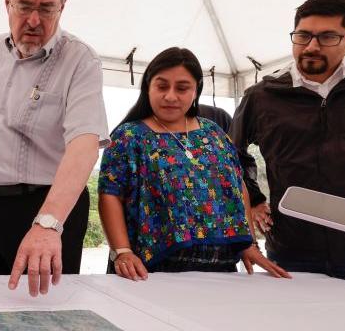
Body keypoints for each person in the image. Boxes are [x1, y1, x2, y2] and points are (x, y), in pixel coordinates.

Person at [0, 0, 109, 297]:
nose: (33, 20)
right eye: (24, 5)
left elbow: (84, 144)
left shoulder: (80, 60)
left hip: (45, 210)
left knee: (43, 311)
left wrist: (48, 223)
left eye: (46, 8)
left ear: (63, 6)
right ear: (7, 1)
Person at [231, 0, 345, 287]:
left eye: (328, 37)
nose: (311, 47)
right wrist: (254, 199)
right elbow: (230, 154)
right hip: (291, 255)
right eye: (303, 36)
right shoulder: (262, 96)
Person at [98, 47, 288, 280]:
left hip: (221, 271)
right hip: (151, 272)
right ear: (148, 87)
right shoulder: (128, 136)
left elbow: (238, 188)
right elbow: (110, 194)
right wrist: (122, 252)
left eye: (182, 88)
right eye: (162, 86)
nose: (170, 96)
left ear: (196, 89)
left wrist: (249, 244)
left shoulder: (214, 133)